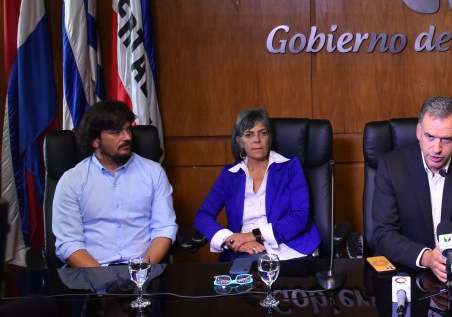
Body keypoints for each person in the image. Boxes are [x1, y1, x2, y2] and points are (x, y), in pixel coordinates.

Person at [372, 96, 452, 283]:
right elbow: (384, 233)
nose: (437, 148)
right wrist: (427, 258)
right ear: (419, 132)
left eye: (447, 139)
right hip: (407, 273)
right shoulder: (391, 167)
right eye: (430, 136)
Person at [52, 101, 178, 267]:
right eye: (116, 132)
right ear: (95, 140)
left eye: (128, 129)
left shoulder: (153, 172)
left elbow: (164, 228)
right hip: (92, 274)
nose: (127, 137)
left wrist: (141, 271)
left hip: (144, 270)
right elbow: (69, 242)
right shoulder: (72, 180)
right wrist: (102, 279)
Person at [194, 109, 320, 261]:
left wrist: (251, 236)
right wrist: (233, 240)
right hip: (244, 252)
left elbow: (300, 217)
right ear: (239, 141)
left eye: (263, 133)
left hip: (289, 248)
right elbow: (202, 216)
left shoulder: (290, 167)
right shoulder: (230, 175)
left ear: (270, 138)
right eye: (249, 134)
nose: (257, 140)